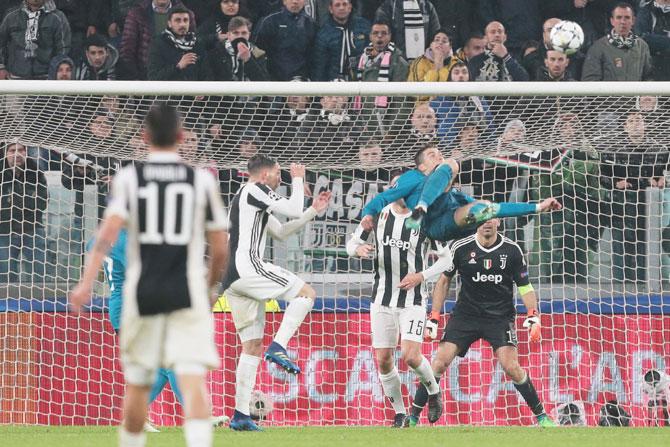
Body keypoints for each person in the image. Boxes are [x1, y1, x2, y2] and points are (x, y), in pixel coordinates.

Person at [69, 103, 229, 447]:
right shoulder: (199, 180)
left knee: (139, 383)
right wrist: (209, 286)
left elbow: (105, 236)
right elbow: (219, 248)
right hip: (184, 291)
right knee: (191, 378)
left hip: (142, 294)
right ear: (182, 137)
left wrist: (85, 284)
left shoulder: (130, 178)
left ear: (144, 137)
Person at [397, 218, 556, 427]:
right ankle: (413, 417)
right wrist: (434, 316)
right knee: (439, 362)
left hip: (499, 317)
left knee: (511, 366)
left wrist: (533, 316)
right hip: (466, 315)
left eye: (490, 219)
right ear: (475, 223)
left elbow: (525, 286)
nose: (486, 224)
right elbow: (444, 281)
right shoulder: (460, 247)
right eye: (482, 220)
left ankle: (542, 416)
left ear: (498, 222)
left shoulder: (512, 250)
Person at [223, 154, 330, 431]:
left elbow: (281, 231)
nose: (280, 177)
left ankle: (240, 415)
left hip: (233, 279)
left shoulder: (247, 198)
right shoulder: (254, 189)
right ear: (264, 174)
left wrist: (312, 212)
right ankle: (280, 346)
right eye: (278, 172)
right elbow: (293, 207)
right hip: (248, 268)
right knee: (306, 293)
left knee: (251, 346)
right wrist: (298, 177)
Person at [89, 228, 229, 432]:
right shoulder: (128, 239)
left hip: (121, 307)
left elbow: (99, 264)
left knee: (162, 366)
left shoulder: (104, 236)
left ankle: (134, 417)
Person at [346, 174, 451, 427]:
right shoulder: (379, 214)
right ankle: (400, 414)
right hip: (381, 299)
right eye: (396, 186)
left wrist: (421, 275)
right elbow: (351, 243)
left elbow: (447, 259)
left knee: (410, 355)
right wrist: (357, 249)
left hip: (412, 300)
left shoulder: (422, 218)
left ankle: (434, 392)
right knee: (383, 359)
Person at [360, 143, 561, 243]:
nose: (438, 156)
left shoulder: (451, 190)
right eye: (432, 155)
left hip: (449, 221)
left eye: (440, 153)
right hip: (432, 225)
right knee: (452, 163)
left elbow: (486, 207)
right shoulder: (411, 177)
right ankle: (422, 206)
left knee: (484, 207)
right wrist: (368, 213)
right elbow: (384, 197)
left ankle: (423, 206)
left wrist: (537, 207)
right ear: (421, 166)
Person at [0, 142, 48, 283]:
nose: (17, 154)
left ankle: (40, 303)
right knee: (5, 272)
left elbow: (43, 201)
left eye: (21, 150)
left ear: (26, 152)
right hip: (4, 230)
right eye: (12, 150)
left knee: (40, 272)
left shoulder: (35, 170)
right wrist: (24, 200)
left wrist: (13, 201)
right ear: (5, 153)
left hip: (32, 226)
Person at [119, 0, 195, 80]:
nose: (182, 23)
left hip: (180, 77)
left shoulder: (187, 14)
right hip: (144, 76)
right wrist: (137, 80)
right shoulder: (137, 14)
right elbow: (127, 50)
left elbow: (192, 44)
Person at [0, 0, 71, 79]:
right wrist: (1, 67)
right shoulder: (11, 16)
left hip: (47, 77)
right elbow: (1, 43)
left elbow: (63, 49)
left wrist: (57, 72)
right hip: (15, 77)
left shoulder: (58, 17)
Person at [582, 2, 653, 81]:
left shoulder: (642, 46)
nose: (623, 22)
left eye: (627, 17)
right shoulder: (598, 47)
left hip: (636, 93)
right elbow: (590, 80)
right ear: (612, 21)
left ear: (633, 21)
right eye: (619, 17)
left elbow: (649, 76)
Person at [252, 0, 317, 81]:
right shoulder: (269, 21)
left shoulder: (311, 24)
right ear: (284, 1)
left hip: (301, 80)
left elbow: (314, 57)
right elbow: (256, 52)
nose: (295, 1)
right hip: (273, 80)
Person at [311, 0, 370, 81]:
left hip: (362, 78)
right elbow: (319, 66)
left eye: (344, 4)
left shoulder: (364, 26)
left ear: (350, 7)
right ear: (331, 9)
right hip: (335, 82)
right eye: (337, 5)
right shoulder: (323, 33)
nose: (341, 8)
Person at [147, 6, 210, 81]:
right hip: (169, 91)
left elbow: (207, 75)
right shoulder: (158, 44)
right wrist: (178, 66)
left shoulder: (197, 44)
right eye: (178, 20)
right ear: (169, 23)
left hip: (194, 91)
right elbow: (154, 77)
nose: (182, 24)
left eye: (185, 20)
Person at [374, 0, 441, 61]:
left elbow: (436, 36)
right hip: (396, 64)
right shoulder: (387, 8)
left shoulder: (427, 7)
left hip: (423, 64)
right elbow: (381, 39)